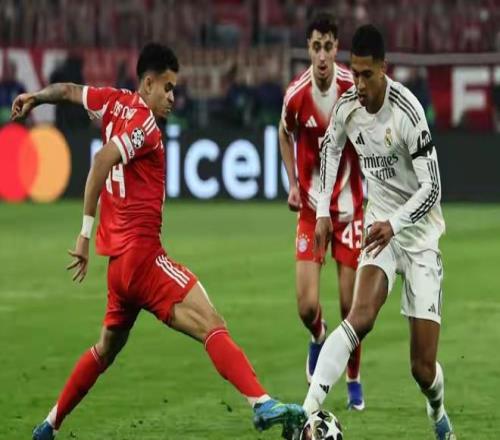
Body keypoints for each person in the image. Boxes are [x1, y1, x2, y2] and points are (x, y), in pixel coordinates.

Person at [11, 42, 306, 440]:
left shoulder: (111, 102)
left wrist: (34, 97)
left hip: (118, 270)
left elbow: (67, 91)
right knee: (212, 324)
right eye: (167, 88)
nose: (172, 97)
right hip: (143, 258)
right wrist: (83, 233)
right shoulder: (145, 126)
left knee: (104, 350)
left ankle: (49, 425)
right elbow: (101, 160)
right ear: (147, 83)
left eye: (174, 89)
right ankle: (261, 403)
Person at [299, 25, 456, 440]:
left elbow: (433, 188)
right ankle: (305, 413)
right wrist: (322, 211)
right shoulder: (348, 107)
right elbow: (330, 149)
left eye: (367, 74)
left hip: (419, 236)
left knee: (422, 369)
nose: (360, 84)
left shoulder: (408, 112)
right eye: (355, 73)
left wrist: (395, 225)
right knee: (360, 317)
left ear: (384, 68)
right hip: (378, 227)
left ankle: (438, 411)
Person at [278, 13, 365, 410]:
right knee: (306, 306)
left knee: (352, 306)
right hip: (313, 211)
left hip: (349, 212)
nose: (323, 55)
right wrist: (293, 183)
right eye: (317, 47)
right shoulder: (297, 94)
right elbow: (284, 132)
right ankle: (318, 335)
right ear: (309, 50)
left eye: (329, 46)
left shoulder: (353, 89)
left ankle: (353, 377)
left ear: (336, 48)